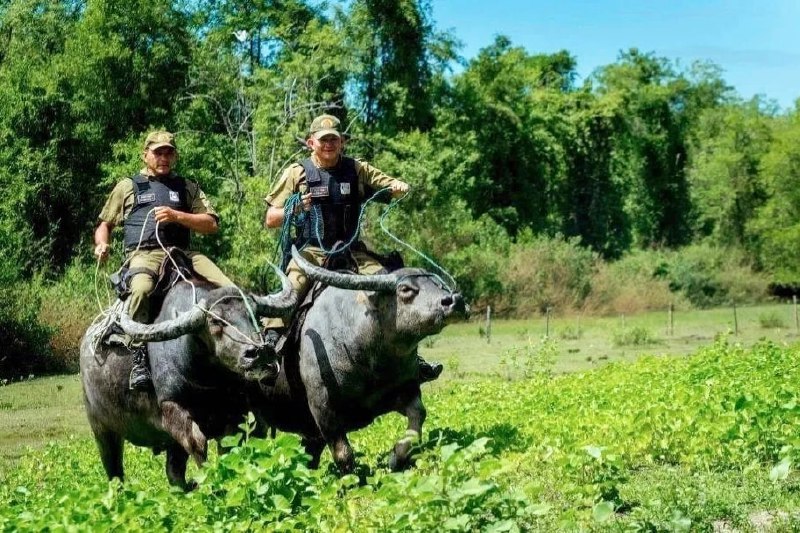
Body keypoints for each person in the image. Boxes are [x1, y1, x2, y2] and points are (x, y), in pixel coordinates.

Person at [263, 114, 443, 382]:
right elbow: (270, 219)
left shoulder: (357, 169)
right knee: (291, 290)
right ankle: (268, 350)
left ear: (342, 142)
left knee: (389, 285)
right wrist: (296, 206)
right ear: (311, 142)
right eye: (323, 140)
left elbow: (392, 187)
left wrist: (398, 187)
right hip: (311, 251)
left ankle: (410, 360)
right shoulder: (296, 172)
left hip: (351, 250)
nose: (329, 145)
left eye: (334, 139)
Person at [94, 130, 236, 391]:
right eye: (158, 152)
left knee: (229, 288)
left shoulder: (187, 186)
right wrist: (102, 244)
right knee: (141, 290)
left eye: (169, 152)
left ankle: (243, 348)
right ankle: (138, 357)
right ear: (145, 155)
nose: (163, 157)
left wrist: (177, 216)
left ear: (175, 156)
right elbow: (105, 224)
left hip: (182, 252)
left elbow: (211, 224)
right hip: (144, 253)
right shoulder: (128, 186)